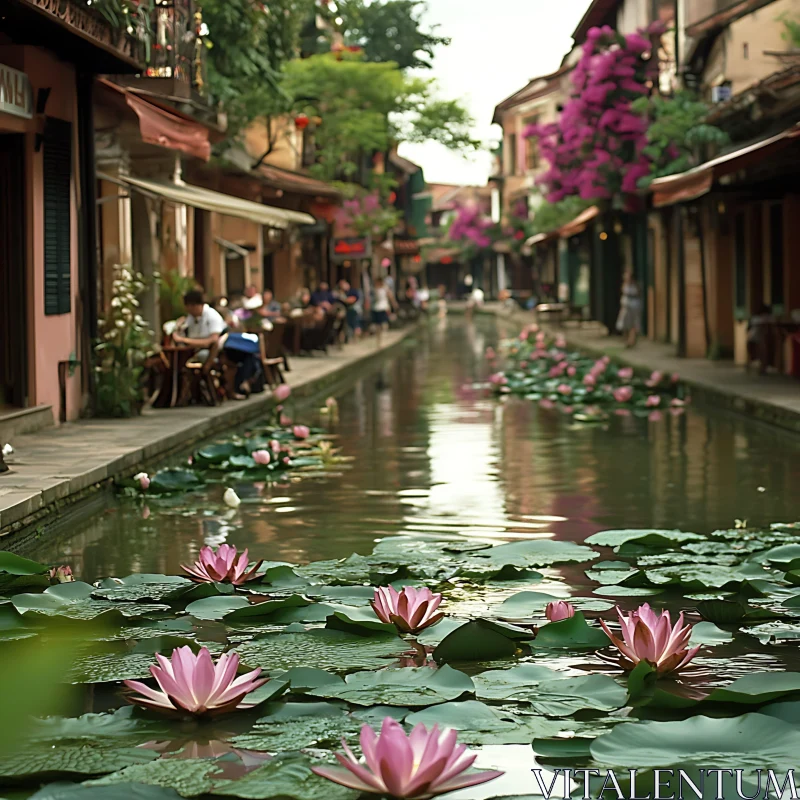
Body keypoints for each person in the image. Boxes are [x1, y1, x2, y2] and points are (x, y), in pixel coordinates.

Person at [173, 290, 226, 362]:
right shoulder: (191, 318)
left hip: (213, 352)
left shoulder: (212, 316)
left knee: (202, 355)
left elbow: (213, 340)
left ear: (194, 306)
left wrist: (183, 340)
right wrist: (178, 327)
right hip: (193, 350)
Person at [616, 270, 642, 347]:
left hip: (634, 307)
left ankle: (632, 340)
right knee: (625, 324)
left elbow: (637, 293)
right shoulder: (624, 285)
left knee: (633, 324)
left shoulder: (635, 285)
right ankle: (627, 340)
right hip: (626, 307)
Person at [747, 304, 774, 374]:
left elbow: (748, 329)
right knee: (762, 354)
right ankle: (762, 368)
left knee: (757, 355)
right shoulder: (767, 318)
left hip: (752, 338)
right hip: (760, 339)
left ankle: (760, 368)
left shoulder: (755, 318)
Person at [371, 277, 397, 345]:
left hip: (383, 308)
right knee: (377, 325)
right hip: (376, 308)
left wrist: (393, 304)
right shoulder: (374, 289)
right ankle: (379, 339)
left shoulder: (385, 288)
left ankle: (383, 337)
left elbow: (390, 296)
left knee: (383, 324)